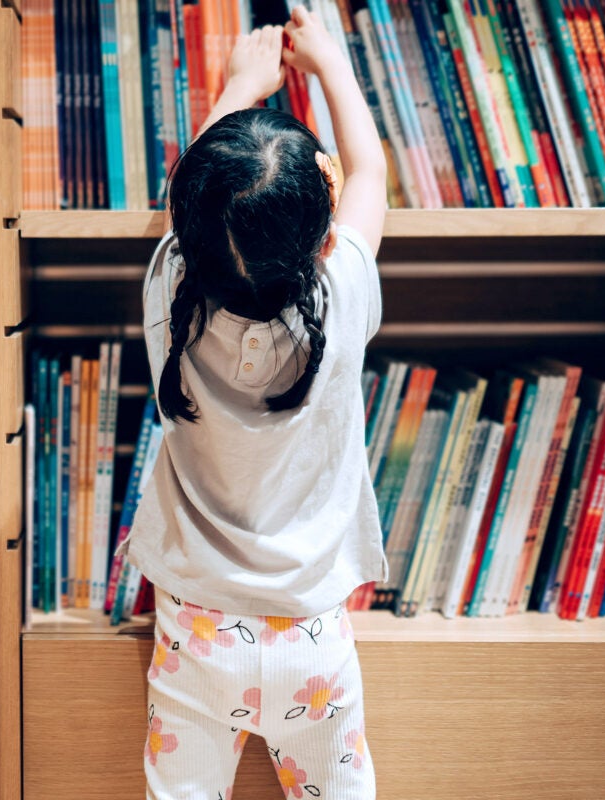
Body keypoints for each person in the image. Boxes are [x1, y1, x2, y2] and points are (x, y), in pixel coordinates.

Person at [124, 6, 388, 798]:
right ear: (326, 240)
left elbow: (195, 200)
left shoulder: (170, 293)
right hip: (315, 637)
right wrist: (333, 65)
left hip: (197, 636)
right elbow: (370, 178)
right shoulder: (342, 300)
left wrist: (241, 82)